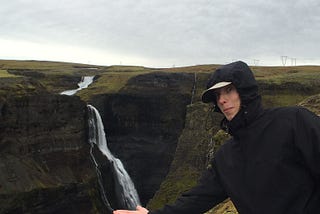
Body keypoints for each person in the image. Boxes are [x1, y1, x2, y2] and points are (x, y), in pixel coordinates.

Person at [114, 61, 320, 214]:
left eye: (229, 90)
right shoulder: (226, 157)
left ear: (245, 90)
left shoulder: (293, 121)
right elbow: (196, 200)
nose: (222, 100)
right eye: (217, 95)